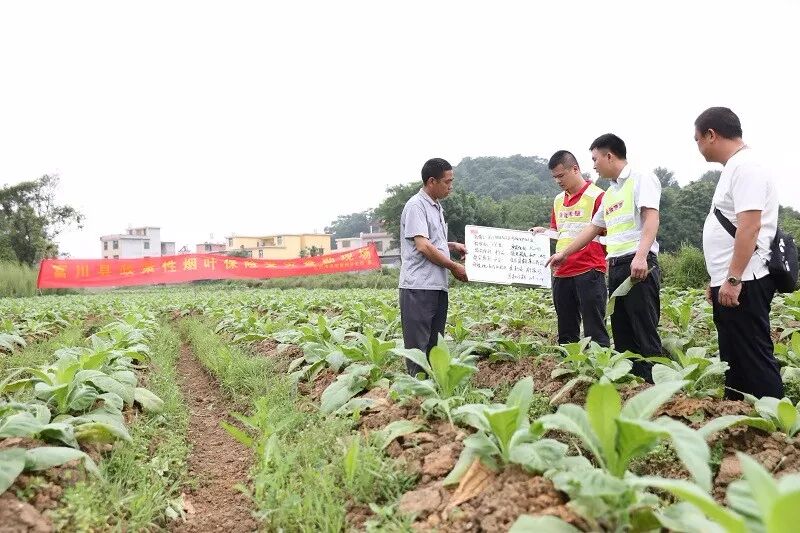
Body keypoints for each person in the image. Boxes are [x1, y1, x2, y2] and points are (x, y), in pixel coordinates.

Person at [546, 134, 663, 382]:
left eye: (595, 158)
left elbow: (651, 218)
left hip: (638, 264)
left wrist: (641, 256)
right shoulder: (611, 193)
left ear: (609, 155)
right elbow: (591, 228)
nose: (594, 165)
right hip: (617, 264)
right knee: (622, 331)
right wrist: (563, 253)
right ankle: (631, 384)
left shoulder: (642, 178)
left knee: (644, 329)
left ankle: (657, 387)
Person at [695, 106, 782, 400]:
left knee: (754, 357)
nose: (698, 147)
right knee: (734, 359)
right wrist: (719, 278)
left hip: (747, 279)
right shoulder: (734, 168)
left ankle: (775, 430)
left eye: (697, 139)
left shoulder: (747, 167)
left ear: (711, 135)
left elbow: (749, 227)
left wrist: (732, 279)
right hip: (733, 279)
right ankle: (737, 420)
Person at [531, 150, 610, 346]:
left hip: (589, 269)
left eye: (561, 175)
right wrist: (544, 232)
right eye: (554, 177)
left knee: (594, 329)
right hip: (561, 271)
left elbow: (607, 234)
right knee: (566, 330)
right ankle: (569, 370)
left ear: (575, 169)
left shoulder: (598, 196)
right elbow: (560, 232)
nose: (558, 181)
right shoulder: (558, 200)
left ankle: (598, 370)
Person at [399, 157, 468, 375]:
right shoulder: (416, 206)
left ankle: (432, 394)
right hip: (419, 287)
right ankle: (415, 396)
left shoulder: (435, 207)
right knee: (418, 349)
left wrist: (452, 245)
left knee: (434, 346)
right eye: (447, 182)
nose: (451, 186)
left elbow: (432, 242)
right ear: (431, 181)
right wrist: (453, 266)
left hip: (437, 286)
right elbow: (423, 246)